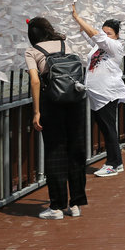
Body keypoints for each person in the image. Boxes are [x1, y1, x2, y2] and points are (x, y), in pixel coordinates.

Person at [26, 17, 87, 219]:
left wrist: (37, 112)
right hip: (75, 101)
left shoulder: (33, 51)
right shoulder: (64, 44)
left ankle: (57, 207)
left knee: (55, 152)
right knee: (76, 150)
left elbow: (35, 81)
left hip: (52, 103)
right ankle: (76, 203)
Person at [71, 4, 125, 177]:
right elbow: (90, 34)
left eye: (108, 33)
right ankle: (115, 163)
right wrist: (78, 16)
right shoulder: (99, 46)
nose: (104, 36)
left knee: (109, 129)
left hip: (108, 93)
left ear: (116, 35)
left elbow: (96, 35)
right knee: (106, 128)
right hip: (97, 95)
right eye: (104, 32)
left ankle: (114, 163)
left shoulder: (115, 46)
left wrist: (77, 17)